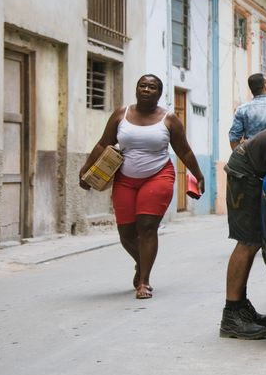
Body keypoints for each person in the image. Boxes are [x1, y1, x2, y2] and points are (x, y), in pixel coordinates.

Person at [80, 74, 205, 299]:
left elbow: (183, 151)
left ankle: (144, 282)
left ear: (159, 93)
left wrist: (198, 175)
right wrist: (86, 170)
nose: (147, 89)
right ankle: (141, 262)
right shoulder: (121, 114)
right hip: (125, 178)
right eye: (143, 85)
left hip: (158, 175)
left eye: (152, 87)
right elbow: (103, 143)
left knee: (147, 227)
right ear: (136, 89)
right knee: (126, 233)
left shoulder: (169, 119)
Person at [219, 127, 266, 339]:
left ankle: (241, 307)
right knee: (247, 242)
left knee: (255, 240)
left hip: (250, 167)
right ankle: (231, 315)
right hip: (244, 170)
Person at [229, 73, 266, 150]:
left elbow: (233, 138)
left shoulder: (242, 109)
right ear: (265, 85)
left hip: (252, 156)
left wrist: (240, 157)